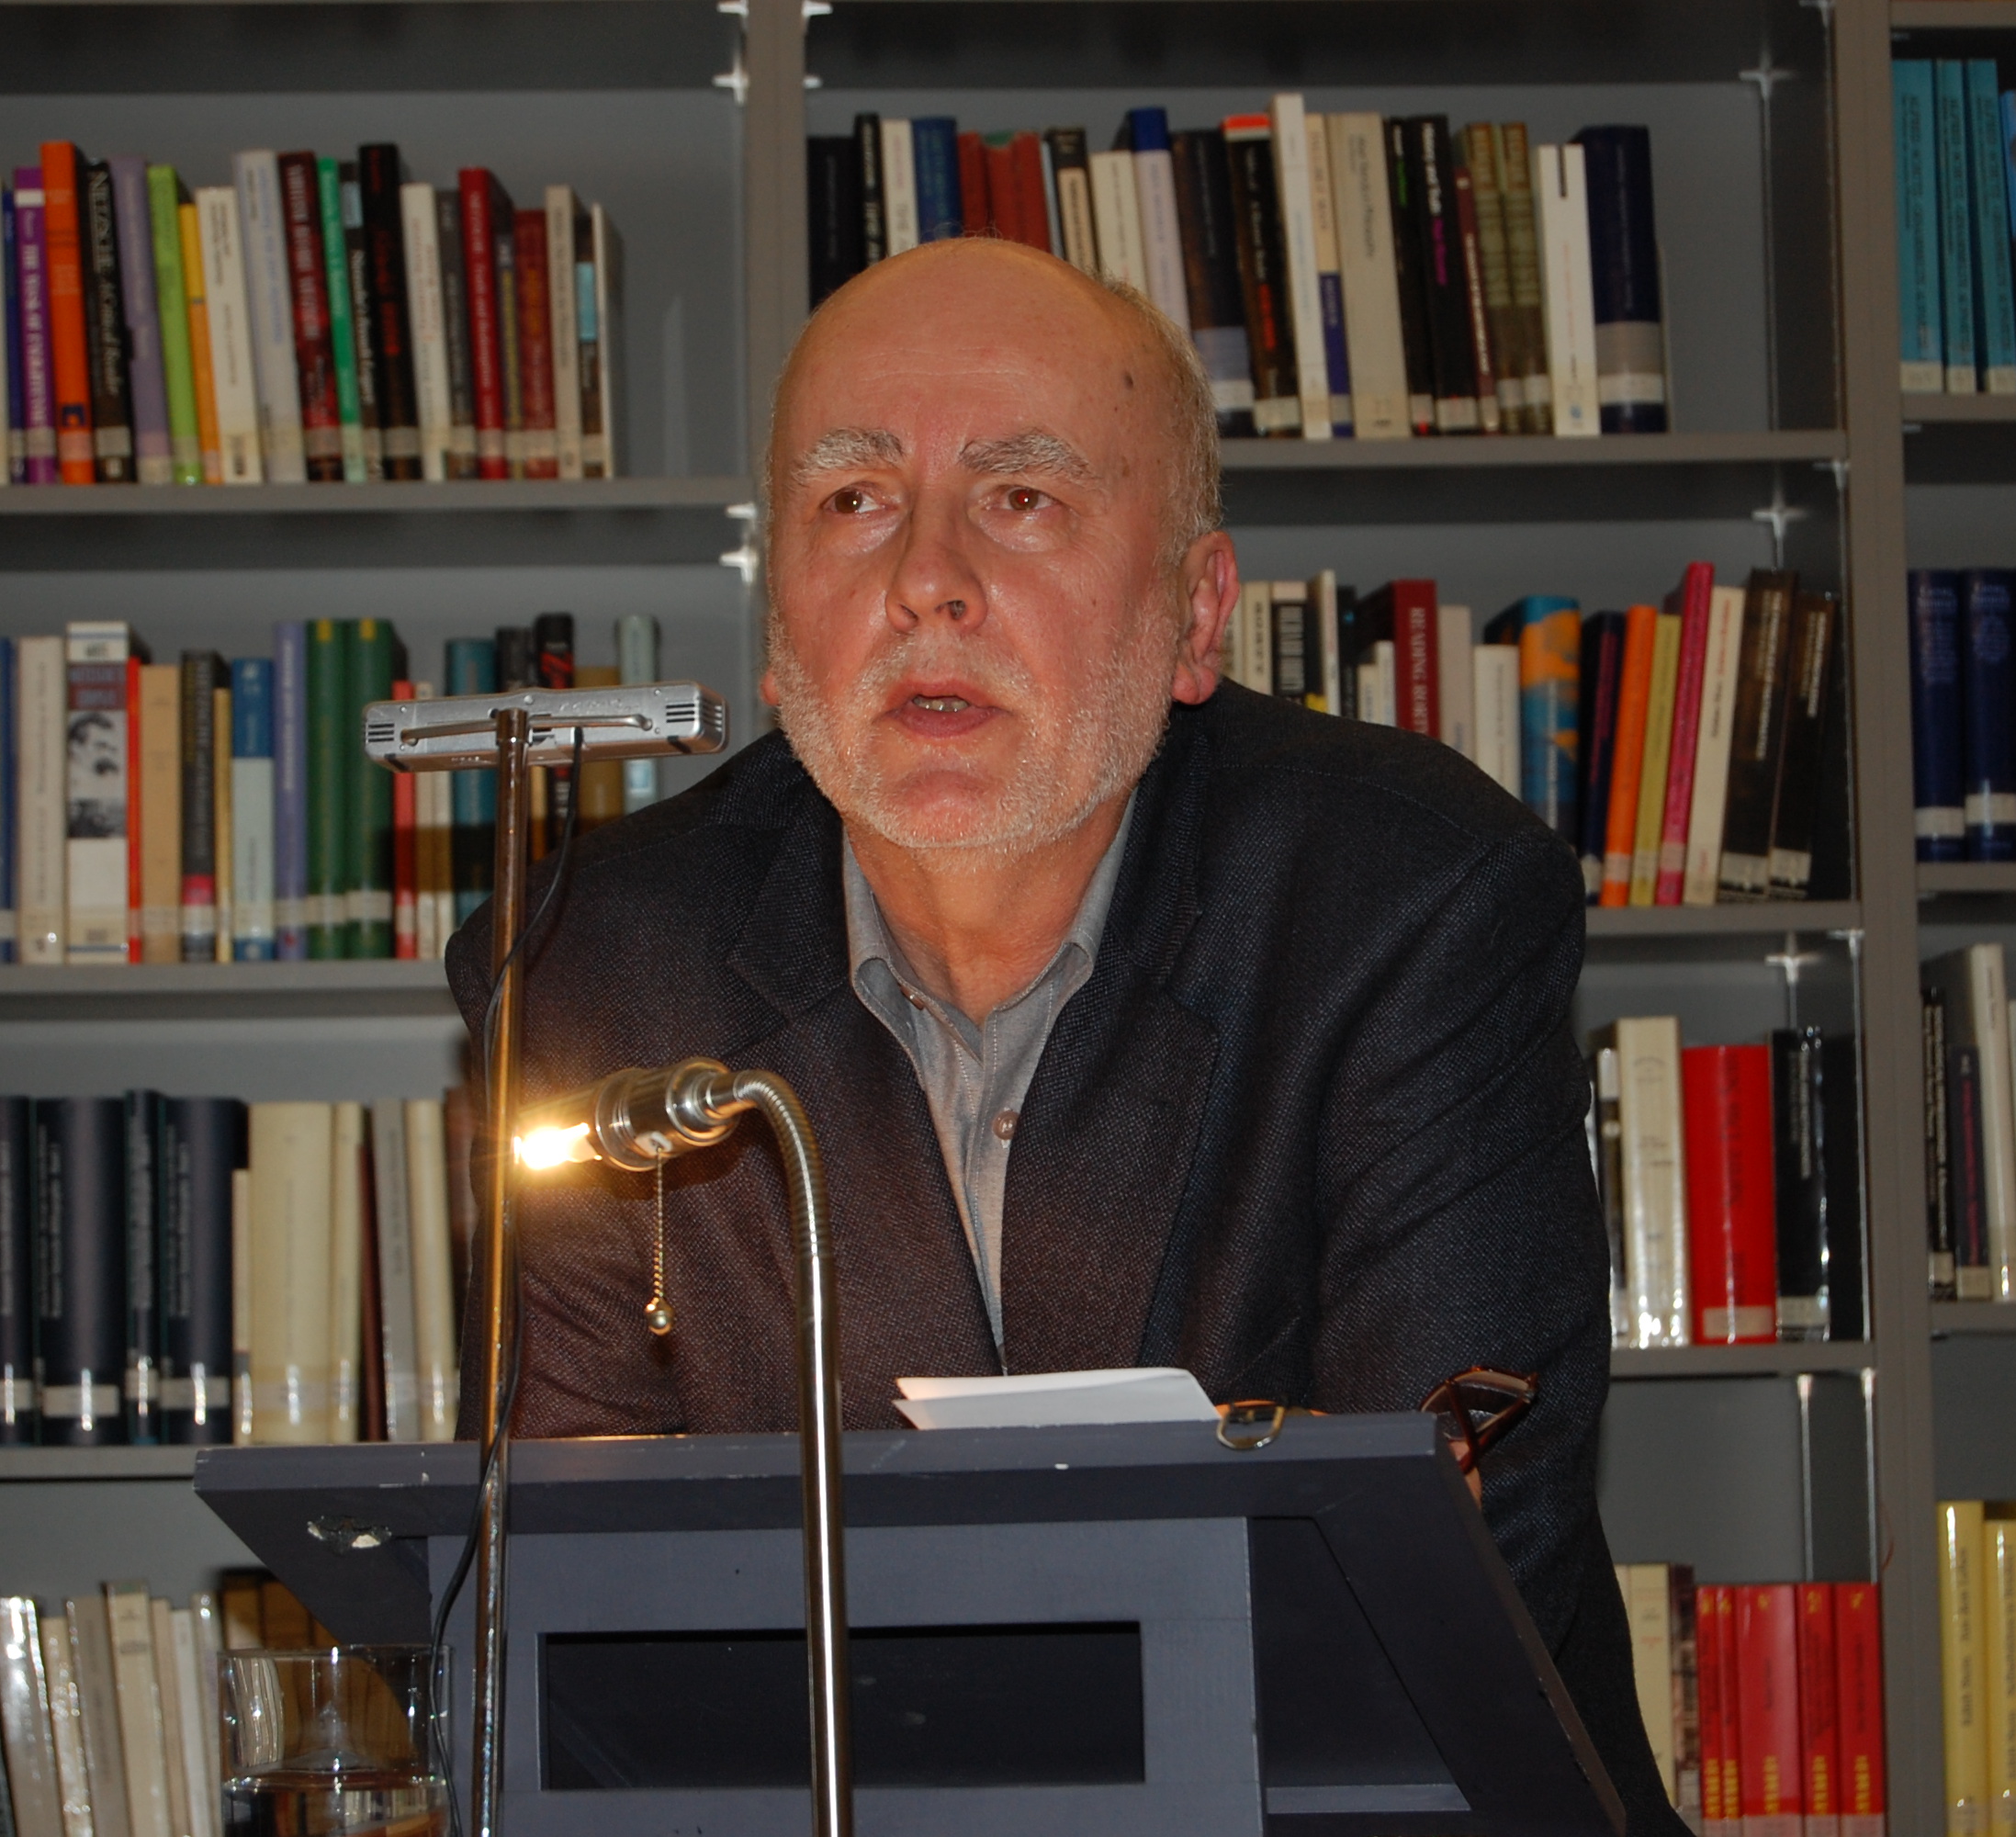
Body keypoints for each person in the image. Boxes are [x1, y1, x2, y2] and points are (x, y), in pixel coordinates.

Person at [449, 236, 1682, 1833]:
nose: (925, 580)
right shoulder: (596, 968)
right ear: (775, 632)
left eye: (1021, 498)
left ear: (1195, 614)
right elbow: (596, 1629)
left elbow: (1435, 1609)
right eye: (854, 500)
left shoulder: (1411, 904)